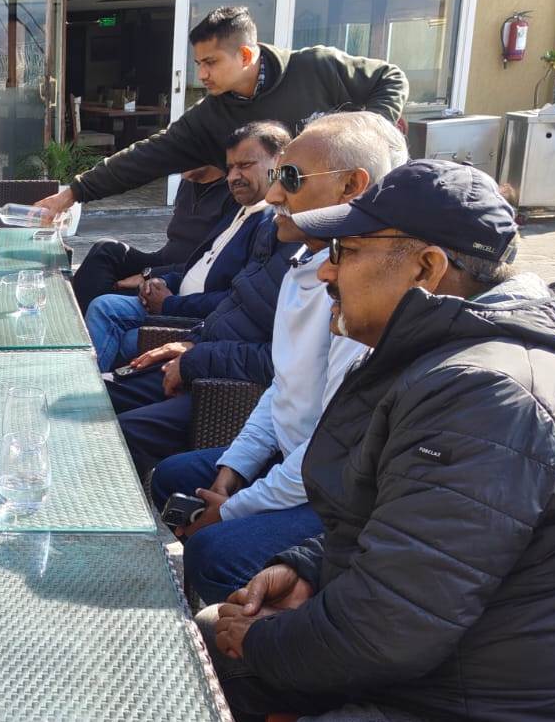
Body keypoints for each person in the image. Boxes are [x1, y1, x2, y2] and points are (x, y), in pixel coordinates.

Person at [205, 159, 555, 720]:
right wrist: (310, 568)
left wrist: (257, 642)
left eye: (345, 252)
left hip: (502, 700)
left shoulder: (489, 394)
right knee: (208, 636)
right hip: (466, 659)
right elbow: (427, 537)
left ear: (427, 267)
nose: (325, 272)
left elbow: (389, 627)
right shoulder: (461, 360)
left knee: (204, 655)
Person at [148, 112, 405, 604]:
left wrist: (232, 509)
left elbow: (332, 450)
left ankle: (245, 629)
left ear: (351, 186)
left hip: (334, 487)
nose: (273, 194)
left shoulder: (363, 295)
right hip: (294, 459)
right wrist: (233, 470)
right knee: (176, 476)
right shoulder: (304, 263)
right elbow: (282, 387)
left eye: (290, 177)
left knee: (215, 552)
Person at [32, 6, 407, 219]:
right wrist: (74, 192)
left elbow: (391, 78)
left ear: (245, 55)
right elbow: (147, 156)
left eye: (211, 62)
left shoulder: (316, 66)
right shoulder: (209, 116)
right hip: (277, 224)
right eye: (198, 63)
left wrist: (366, 138)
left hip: (353, 208)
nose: (202, 75)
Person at [84, 123, 284, 373]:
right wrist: (162, 280)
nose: (233, 176)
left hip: (195, 318)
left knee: (124, 336)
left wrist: (169, 303)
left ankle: (90, 383)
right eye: (231, 167)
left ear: (278, 162)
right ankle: (72, 347)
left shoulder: (271, 223)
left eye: (244, 165)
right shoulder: (241, 209)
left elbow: (235, 300)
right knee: (103, 301)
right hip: (176, 292)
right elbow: (202, 265)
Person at [72, 165, 237, 309]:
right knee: (106, 249)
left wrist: (150, 275)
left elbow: (215, 266)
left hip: (186, 279)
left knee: (107, 300)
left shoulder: (234, 194)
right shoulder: (188, 181)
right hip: (163, 261)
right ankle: (75, 319)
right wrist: (149, 272)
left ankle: (91, 323)